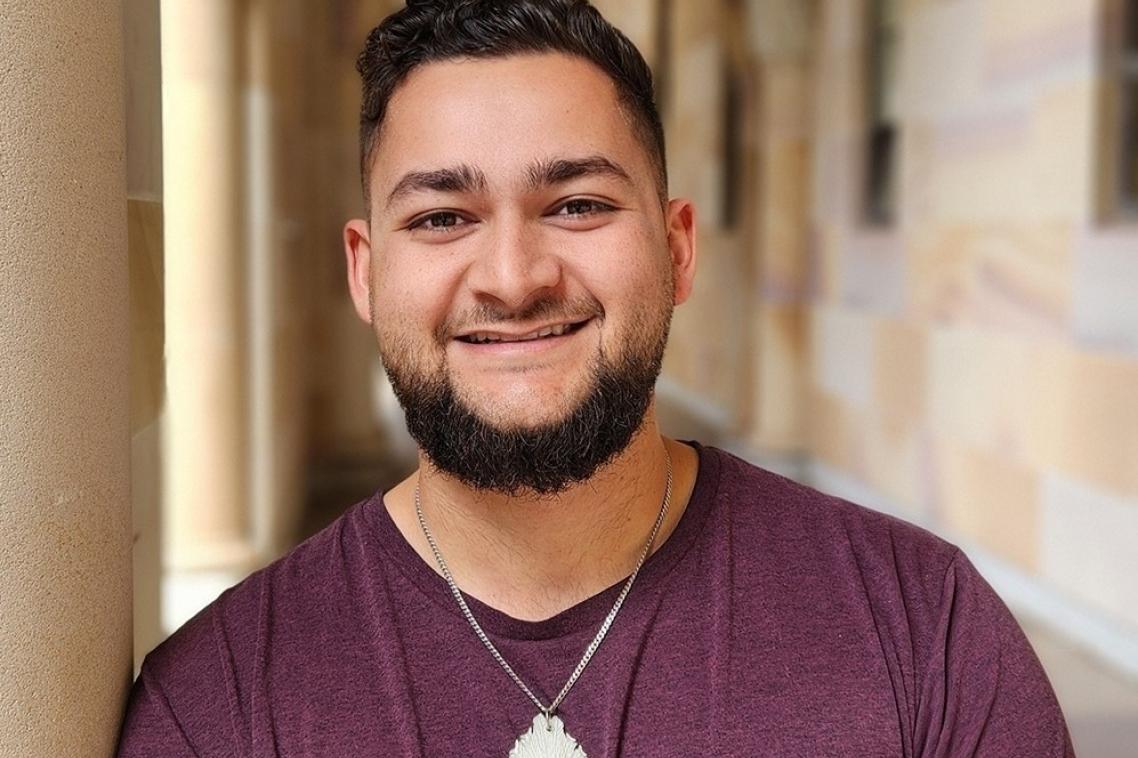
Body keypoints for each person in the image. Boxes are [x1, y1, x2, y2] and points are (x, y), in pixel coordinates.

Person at [118, 1, 1075, 755]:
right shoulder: (219, 706)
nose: (513, 277)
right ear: (367, 272)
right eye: (443, 217)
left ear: (676, 248)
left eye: (576, 204)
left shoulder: (924, 631)